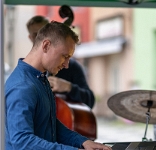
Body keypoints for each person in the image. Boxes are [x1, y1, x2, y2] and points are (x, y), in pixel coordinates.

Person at [5, 21, 111, 150]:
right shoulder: (22, 87)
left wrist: (82, 142)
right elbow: (22, 141)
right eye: (64, 56)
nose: (66, 65)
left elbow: (50, 124)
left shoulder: (40, 79)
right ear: (46, 46)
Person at [26, 15, 95, 109]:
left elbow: (90, 100)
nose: (41, 37)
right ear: (30, 38)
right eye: (36, 34)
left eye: (43, 32)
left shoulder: (71, 67)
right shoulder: (28, 71)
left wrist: (69, 87)